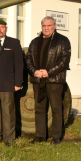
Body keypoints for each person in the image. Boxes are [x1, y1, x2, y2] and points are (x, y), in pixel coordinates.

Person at [26, 16, 71, 145]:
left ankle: (56, 137)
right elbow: (28, 58)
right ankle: (40, 136)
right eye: (44, 26)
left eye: (49, 25)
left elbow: (64, 60)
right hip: (38, 79)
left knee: (56, 109)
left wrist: (48, 72)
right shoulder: (34, 42)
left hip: (54, 80)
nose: (46, 28)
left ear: (54, 26)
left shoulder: (62, 41)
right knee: (39, 108)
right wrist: (34, 71)